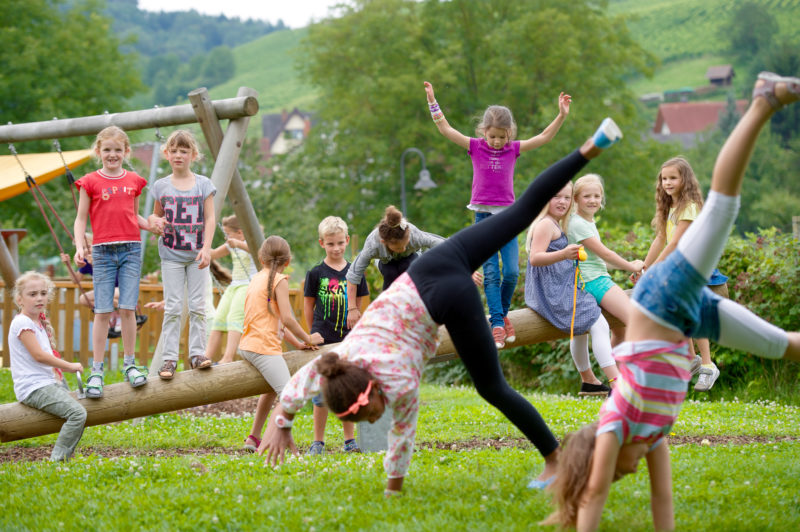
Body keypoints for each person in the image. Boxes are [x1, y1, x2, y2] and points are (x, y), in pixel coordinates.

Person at [259, 115, 625, 495]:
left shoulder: (397, 383)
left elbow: (402, 435)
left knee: (492, 386)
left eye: (373, 413)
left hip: (445, 298)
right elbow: (302, 382)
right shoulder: (339, 361)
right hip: (438, 264)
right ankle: (591, 146)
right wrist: (281, 420)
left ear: (373, 393)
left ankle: (554, 459)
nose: (379, 417)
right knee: (520, 213)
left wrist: (393, 490)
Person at [545, 72, 800, 532]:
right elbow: (663, 500)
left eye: (620, 468)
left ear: (603, 450)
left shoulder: (618, 421)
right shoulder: (653, 433)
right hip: (688, 317)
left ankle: (763, 100)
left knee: (722, 209)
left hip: (664, 301)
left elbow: (596, 494)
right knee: (783, 345)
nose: (629, 472)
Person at [425, 81, 571, 349]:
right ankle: (496, 323)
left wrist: (561, 115)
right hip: (483, 219)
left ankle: (501, 315)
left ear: (509, 134)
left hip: (509, 219)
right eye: (492, 136)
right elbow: (445, 129)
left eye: (502, 137)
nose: (496, 142)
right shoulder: (475, 146)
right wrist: (433, 101)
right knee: (491, 274)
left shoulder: (512, 149)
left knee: (513, 272)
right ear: (484, 132)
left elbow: (543, 138)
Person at [73, 126, 157, 398]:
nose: (112, 154)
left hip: (131, 249)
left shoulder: (134, 181)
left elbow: (134, 217)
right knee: (101, 310)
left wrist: (153, 226)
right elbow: (81, 219)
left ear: (126, 152)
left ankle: (130, 364)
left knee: (128, 308)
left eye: (117, 150)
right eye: (107, 150)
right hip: (102, 251)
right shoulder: (90, 182)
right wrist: (79, 245)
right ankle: (96, 370)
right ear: (99, 152)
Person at [637, 157, 729, 391]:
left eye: (673, 178)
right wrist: (644, 268)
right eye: (664, 178)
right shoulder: (670, 207)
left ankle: (708, 365)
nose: (667, 182)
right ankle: (691, 359)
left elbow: (676, 242)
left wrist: (655, 270)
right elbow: (660, 239)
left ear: (684, 180)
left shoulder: (689, 207)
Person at [524, 181, 619, 397]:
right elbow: (536, 258)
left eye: (567, 198)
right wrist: (564, 254)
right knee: (598, 324)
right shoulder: (545, 224)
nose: (563, 202)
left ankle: (589, 382)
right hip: (553, 292)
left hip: (560, 287)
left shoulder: (555, 223)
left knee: (581, 331)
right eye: (557, 196)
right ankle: (617, 383)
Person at [239, 236, 324, 452]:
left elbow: (277, 322)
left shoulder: (257, 277)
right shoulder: (280, 280)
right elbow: (287, 319)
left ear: (261, 258)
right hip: (262, 349)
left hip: (248, 346)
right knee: (290, 396)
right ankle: (267, 445)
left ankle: (253, 438)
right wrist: (309, 338)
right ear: (288, 261)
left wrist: (298, 344)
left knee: (270, 390)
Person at [148, 130, 216, 379]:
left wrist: (206, 248)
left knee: (198, 306)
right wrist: (155, 222)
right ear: (167, 154)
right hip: (172, 255)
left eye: (184, 151)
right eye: (174, 151)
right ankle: (168, 360)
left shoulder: (203, 184)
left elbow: (210, 218)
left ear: (193, 155)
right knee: (174, 307)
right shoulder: (161, 186)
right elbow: (156, 215)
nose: (179, 155)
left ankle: (197, 354)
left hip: (197, 254)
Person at [303, 216, 370, 455]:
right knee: (321, 394)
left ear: (347, 241)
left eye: (340, 243)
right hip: (323, 340)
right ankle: (318, 442)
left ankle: (349, 440)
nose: (336, 248)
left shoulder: (356, 272)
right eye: (330, 244)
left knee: (347, 389)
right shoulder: (315, 273)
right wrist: (312, 334)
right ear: (322, 243)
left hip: (348, 340)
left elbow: (360, 306)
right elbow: (308, 307)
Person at [9, 272, 86, 461]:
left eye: (43, 293)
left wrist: (58, 376)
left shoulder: (38, 322)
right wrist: (69, 366)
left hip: (45, 382)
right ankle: (58, 461)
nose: (39, 298)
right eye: (32, 294)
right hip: (33, 387)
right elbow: (38, 355)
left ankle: (67, 456)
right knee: (77, 414)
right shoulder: (22, 322)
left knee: (81, 404)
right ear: (20, 299)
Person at [567, 174, 644, 345]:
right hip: (593, 281)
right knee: (637, 321)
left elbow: (598, 259)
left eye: (597, 196)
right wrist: (631, 266)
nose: (592, 200)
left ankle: (617, 372)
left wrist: (627, 266)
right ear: (576, 199)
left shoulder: (586, 221)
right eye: (586, 196)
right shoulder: (578, 224)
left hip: (592, 279)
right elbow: (606, 254)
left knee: (620, 332)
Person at [345, 205, 444, 328]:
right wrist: (352, 309)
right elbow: (353, 275)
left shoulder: (414, 234)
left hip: (412, 261)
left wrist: (466, 270)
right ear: (384, 242)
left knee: (408, 266)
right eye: (398, 248)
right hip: (386, 265)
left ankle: (420, 309)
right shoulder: (373, 244)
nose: (402, 250)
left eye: (405, 245)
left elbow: (447, 246)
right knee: (390, 271)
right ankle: (389, 315)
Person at [204, 215, 257, 364]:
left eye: (228, 233)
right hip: (234, 285)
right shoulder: (231, 244)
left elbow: (259, 251)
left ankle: (227, 357)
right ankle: (206, 357)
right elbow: (213, 254)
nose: (226, 237)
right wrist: (201, 247)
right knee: (219, 318)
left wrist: (238, 244)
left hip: (248, 285)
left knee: (234, 318)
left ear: (240, 232)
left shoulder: (251, 243)